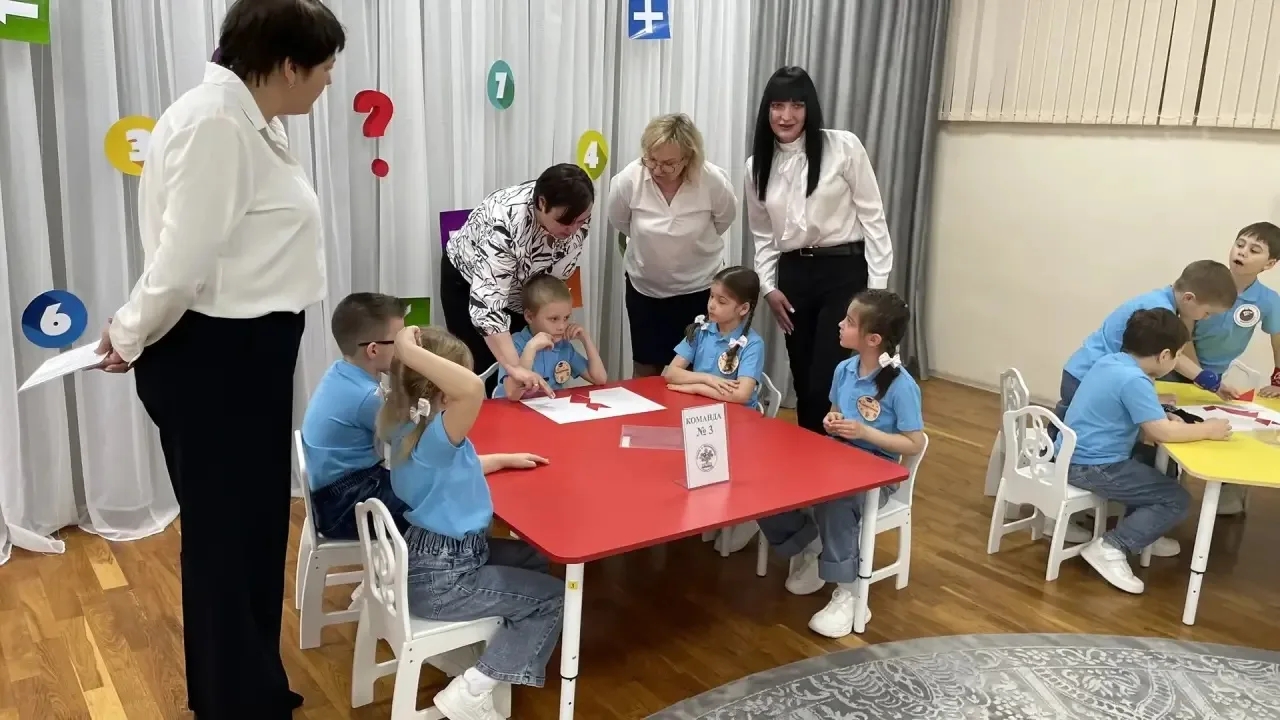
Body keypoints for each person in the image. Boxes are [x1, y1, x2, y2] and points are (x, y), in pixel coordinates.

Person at [91, 1, 345, 715]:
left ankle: (252, 685)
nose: (329, 81)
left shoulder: (248, 121)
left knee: (253, 530)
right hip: (217, 356)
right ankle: (233, 701)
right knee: (226, 540)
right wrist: (129, 333)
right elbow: (180, 263)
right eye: (325, 67)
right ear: (288, 66)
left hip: (246, 352)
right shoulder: (216, 125)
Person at [379, 325, 562, 719]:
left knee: (532, 559)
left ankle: (496, 649)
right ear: (445, 391)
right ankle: (473, 689)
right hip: (447, 577)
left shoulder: (407, 426)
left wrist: (502, 460)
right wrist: (407, 350)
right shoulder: (436, 436)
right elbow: (473, 390)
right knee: (553, 598)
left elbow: (448, 471)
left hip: (431, 558)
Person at [756, 290, 926, 639]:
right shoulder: (844, 369)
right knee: (766, 480)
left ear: (873, 339)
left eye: (849, 321)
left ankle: (849, 592)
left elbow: (914, 442)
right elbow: (834, 413)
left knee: (838, 501)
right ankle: (809, 545)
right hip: (835, 458)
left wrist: (866, 433)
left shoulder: (900, 385)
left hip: (877, 473)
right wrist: (832, 421)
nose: (840, 324)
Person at [746, 66, 894, 436]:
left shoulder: (843, 147)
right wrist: (768, 286)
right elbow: (763, 235)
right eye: (777, 106)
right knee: (803, 376)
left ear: (809, 109)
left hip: (843, 271)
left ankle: (831, 456)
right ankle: (811, 456)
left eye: (796, 105)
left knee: (826, 378)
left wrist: (875, 291)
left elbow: (873, 218)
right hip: (794, 276)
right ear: (766, 110)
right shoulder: (756, 167)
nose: (786, 116)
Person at [1063, 309, 1232, 594]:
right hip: (1092, 466)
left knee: (1156, 462)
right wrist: (1208, 429)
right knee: (1176, 500)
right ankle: (1112, 547)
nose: (1177, 360)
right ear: (1165, 355)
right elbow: (1161, 433)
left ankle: (1144, 531)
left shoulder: (1112, 362)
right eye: (1179, 355)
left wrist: (1162, 413)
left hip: (1075, 455)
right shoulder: (1134, 380)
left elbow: (1137, 411)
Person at [441, 164, 595, 396]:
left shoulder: (577, 212)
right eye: (565, 222)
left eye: (581, 222)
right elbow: (487, 308)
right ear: (542, 203)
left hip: (527, 289)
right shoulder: (504, 221)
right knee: (488, 371)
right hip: (470, 284)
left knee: (533, 361)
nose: (573, 229)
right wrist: (515, 369)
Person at [607, 113, 738, 377]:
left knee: (696, 369)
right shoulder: (628, 180)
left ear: (688, 158)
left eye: (668, 164)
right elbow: (621, 222)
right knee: (646, 367)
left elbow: (724, 219)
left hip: (699, 290)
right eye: (651, 160)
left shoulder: (712, 181)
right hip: (645, 290)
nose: (657, 169)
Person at [1168, 223, 1280, 515]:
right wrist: (1198, 374)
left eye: (1254, 250)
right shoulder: (1207, 284)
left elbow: (1278, 339)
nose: (1242, 252)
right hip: (1180, 368)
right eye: (1240, 244)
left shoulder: (1268, 300)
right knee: (1168, 423)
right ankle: (1164, 487)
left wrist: (1278, 379)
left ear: (1269, 264)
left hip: (1215, 378)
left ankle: (1226, 494)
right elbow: (1184, 334)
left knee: (1235, 427)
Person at [1054, 260, 1238, 421]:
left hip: (1085, 371)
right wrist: (1209, 381)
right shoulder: (1160, 312)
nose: (1206, 318)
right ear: (1188, 298)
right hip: (1086, 377)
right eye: (1207, 312)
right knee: (1071, 433)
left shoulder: (1160, 299)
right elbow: (1174, 357)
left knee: (1068, 430)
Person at [301, 293, 409, 539]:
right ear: (373, 350)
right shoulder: (367, 396)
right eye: (399, 342)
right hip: (346, 502)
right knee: (433, 506)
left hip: (331, 495)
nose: (405, 349)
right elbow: (413, 442)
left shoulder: (341, 371)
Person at [663, 266, 766, 409]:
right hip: (702, 409)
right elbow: (671, 373)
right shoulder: (700, 330)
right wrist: (708, 379)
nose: (711, 305)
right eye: (711, 296)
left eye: (721, 302)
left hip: (737, 414)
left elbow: (741, 394)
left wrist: (697, 388)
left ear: (743, 309)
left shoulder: (752, 344)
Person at [497, 274, 607, 400]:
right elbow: (513, 395)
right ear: (529, 317)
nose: (562, 326)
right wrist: (531, 348)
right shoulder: (513, 344)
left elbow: (600, 379)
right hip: (511, 410)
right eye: (554, 319)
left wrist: (586, 339)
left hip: (549, 409)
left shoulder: (563, 346)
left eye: (566, 318)